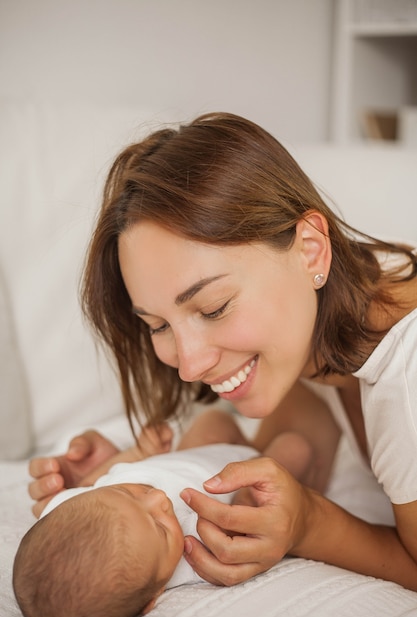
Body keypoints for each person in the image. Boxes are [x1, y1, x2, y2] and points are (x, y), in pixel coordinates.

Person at [28, 112, 417, 591]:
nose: (190, 365)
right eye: (157, 325)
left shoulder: (407, 374)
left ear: (311, 250)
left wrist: (309, 523)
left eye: (213, 308)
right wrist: (134, 483)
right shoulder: (342, 309)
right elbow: (299, 438)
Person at [13, 411, 314, 617]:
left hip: (191, 457)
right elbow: (245, 548)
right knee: (294, 447)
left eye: (129, 495)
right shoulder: (193, 562)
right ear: (152, 597)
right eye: (160, 527)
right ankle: (281, 463)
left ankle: (251, 440)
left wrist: (139, 452)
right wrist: (247, 513)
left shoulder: (81, 505)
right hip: (243, 486)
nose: (159, 498)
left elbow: (95, 481)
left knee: (213, 420)